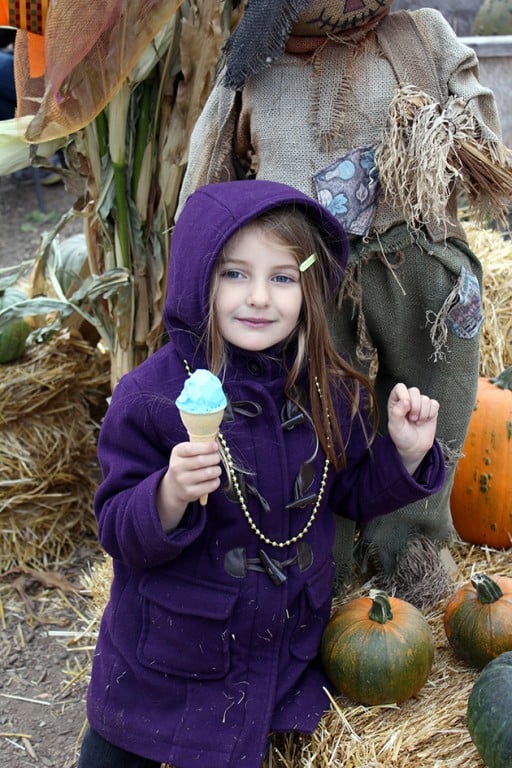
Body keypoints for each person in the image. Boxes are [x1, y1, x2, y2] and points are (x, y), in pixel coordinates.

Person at [78, 179, 445, 768]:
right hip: (165, 668)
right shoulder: (149, 398)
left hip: (276, 662)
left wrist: (403, 455)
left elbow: (345, 492)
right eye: (234, 274)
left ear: (310, 287)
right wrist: (167, 495)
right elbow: (116, 528)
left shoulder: (328, 388)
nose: (258, 298)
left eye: (282, 277)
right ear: (199, 277)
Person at [177, 0, 512, 606]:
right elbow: (210, 165)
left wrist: (442, 134)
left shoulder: (422, 35)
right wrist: (199, 258)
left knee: (434, 399)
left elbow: (481, 132)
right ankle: (319, 558)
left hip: (418, 256)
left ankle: (407, 555)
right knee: (314, 406)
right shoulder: (255, 57)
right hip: (304, 271)